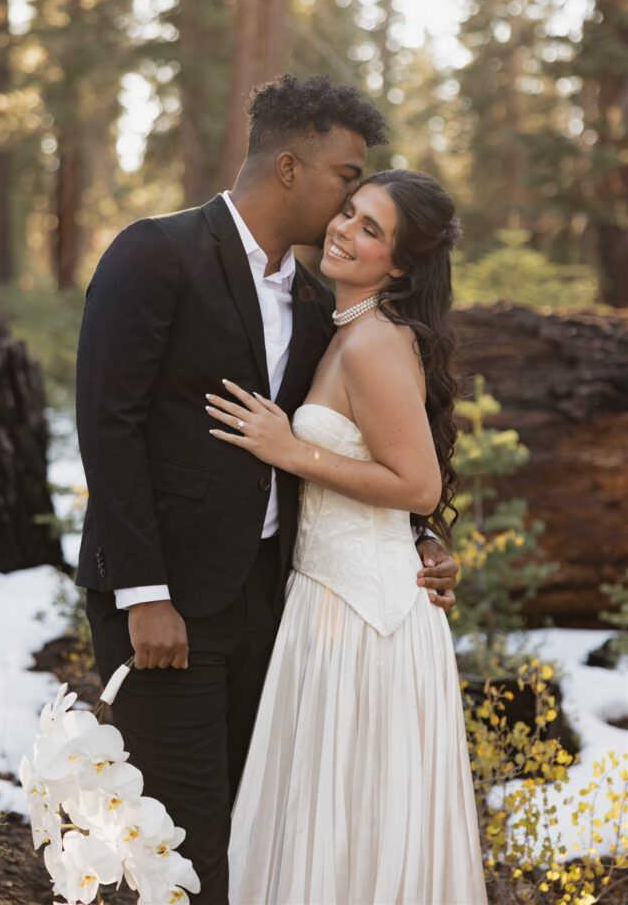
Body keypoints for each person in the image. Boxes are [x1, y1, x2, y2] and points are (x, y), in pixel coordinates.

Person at [74, 74, 460, 905]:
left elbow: (369, 440)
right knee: (182, 852)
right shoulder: (156, 252)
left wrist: (417, 536)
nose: (350, 202)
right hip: (167, 608)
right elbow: (109, 429)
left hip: (279, 611)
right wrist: (145, 593)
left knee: (263, 841)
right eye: (345, 179)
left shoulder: (324, 301)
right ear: (290, 168)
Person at [214, 170, 488, 904]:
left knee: (352, 816)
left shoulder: (372, 343)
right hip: (326, 599)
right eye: (348, 212)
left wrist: (290, 449)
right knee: (319, 816)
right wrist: (423, 539)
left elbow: (418, 485)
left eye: (371, 228)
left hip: (365, 619)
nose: (344, 230)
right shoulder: (340, 330)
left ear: (398, 264)